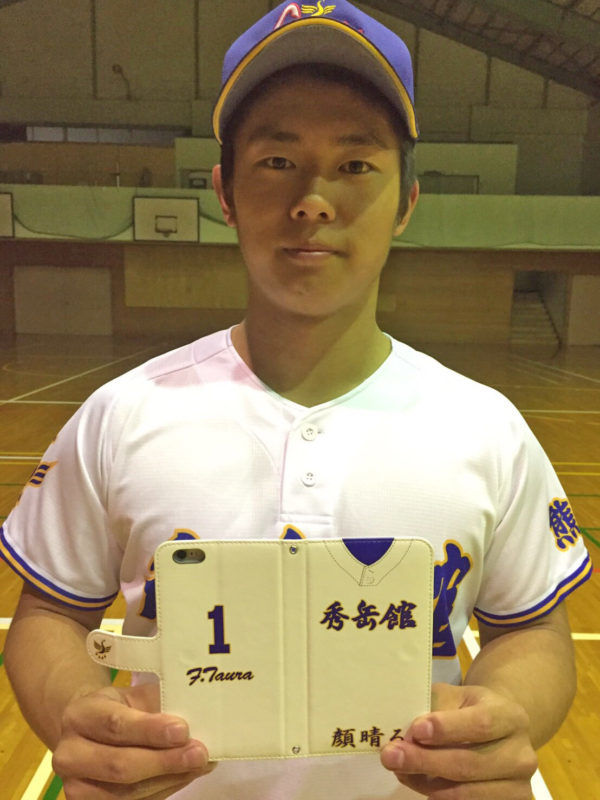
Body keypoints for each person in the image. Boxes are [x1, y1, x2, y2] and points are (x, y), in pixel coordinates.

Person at [1, 2, 592, 798]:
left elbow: (531, 628)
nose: (313, 200)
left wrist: (511, 710)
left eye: (356, 165)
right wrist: (74, 708)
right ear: (224, 191)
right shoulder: (121, 414)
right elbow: (48, 615)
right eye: (277, 161)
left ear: (407, 201)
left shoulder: (487, 429)